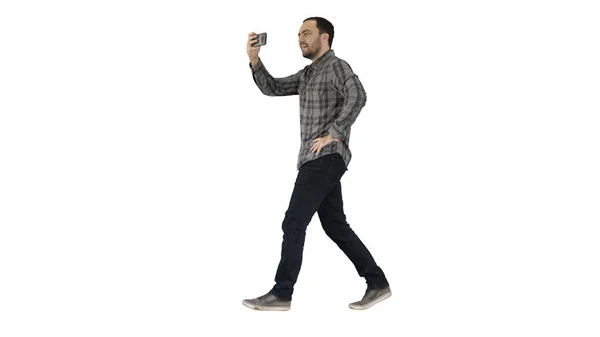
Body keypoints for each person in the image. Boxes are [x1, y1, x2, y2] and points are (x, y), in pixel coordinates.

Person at [243, 17, 391, 311]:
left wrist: (333, 134)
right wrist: (254, 60)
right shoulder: (308, 74)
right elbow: (272, 88)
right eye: (299, 34)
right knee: (336, 226)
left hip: (325, 157)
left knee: (294, 221)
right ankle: (377, 283)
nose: (301, 38)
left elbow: (358, 95)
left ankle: (282, 293)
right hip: (313, 159)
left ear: (325, 38)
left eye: (307, 33)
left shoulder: (337, 66)